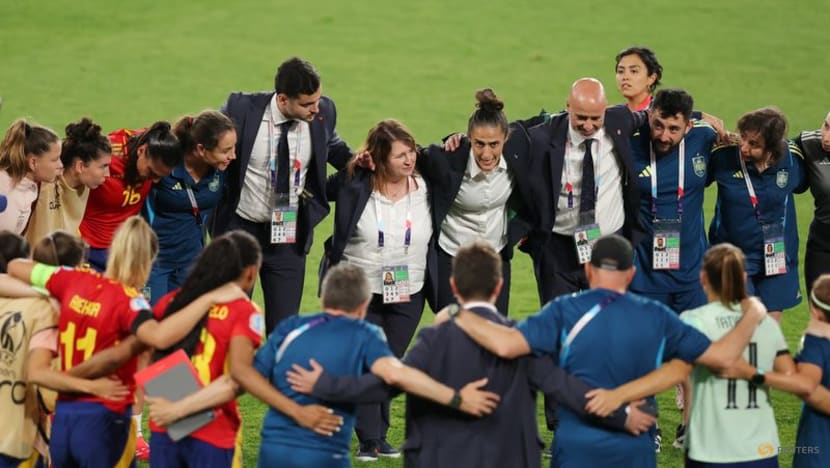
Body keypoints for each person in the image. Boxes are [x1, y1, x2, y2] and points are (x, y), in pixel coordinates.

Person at [288, 241, 658, 468]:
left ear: (453, 286)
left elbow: (384, 385)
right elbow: (563, 387)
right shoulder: (518, 339)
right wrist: (621, 414)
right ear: (499, 287)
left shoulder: (432, 341)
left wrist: (326, 385)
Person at [437, 234, 769, 468]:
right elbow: (724, 359)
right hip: (634, 446)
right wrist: (752, 313)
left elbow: (505, 344)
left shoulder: (563, 310)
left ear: (589, 271)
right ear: (631, 275)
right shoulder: (657, 317)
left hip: (575, 448)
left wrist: (456, 313)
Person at [6, 217, 247, 467]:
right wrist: (206, 299)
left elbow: (15, 267)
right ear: (147, 262)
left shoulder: (72, 281)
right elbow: (156, 342)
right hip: (106, 420)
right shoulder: (131, 303)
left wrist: (56, 294)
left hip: (64, 423)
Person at [234, 263, 500, 467]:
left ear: (325, 297)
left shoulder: (289, 328)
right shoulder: (363, 334)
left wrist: (294, 410)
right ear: (363, 307)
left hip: (273, 454)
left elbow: (243, 376)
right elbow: (397, 376)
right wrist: (457, 399)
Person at [144, 230, 340, 467]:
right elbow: (237, 378)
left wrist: (172, 409)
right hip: (213, 433)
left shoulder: (173, 301)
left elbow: (149, 353)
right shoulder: (243, 311)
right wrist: (298, 412)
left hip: (165, 428)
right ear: (250, 272)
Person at [211, 56, 353, 334]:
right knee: (230, 324)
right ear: (283, 99)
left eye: (318, 100)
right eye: (307, 104)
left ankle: (275, 378)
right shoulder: (241, 110)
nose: (315, 109)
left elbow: (333, 147)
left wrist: (359, 162)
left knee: (285, 329)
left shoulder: (324, 112)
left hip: (289, 236)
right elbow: (208, 144)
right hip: (240, 232)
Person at [320, 119, 434, 459]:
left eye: (411, 151)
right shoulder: (356, 184)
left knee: (389, 359)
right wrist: (351, 167)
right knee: (367, 360)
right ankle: (371, 438)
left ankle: (377, 435)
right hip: (361, 290)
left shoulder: (427, 187)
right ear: (380, 159)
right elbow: (323, 190)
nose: (409, 160)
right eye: (400, 155)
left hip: (409, 289)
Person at [0, 232, 130, 468]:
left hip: (59, 426)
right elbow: (153, 349)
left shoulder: (16, 298)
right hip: (99, 417)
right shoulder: (115, 300)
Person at [678, 243, 814, 467]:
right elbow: (796, 382)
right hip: (760, 450)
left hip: (708, 450)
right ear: (743, 279)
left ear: (703, 278)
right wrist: (755, 374)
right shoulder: (765, 324)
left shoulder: (693, 321)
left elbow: (674, 373)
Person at [521, 78, 647, 304]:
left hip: (608, 245)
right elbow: (500, 135)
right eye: (581, 117)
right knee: (559, 323)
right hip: (558, 248)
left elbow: (657, 115)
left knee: (605, 321)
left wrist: (698, 119)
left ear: (605, 109)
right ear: (567, 106)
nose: (588, 126)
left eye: (595, 118)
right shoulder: (543, 136)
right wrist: (459, 140)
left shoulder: (619, 120)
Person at [417, 88, 536, 314]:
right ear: (469, 138)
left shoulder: (518, 150)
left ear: (506, 139)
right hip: (451, 257)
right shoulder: (447, 160)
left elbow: (550, 124)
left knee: (493, 331)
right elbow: (411, 154)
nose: (486, 153)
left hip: (495, 258)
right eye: (479, 143)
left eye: (494, 144)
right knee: (452, 332)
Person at [708, 107, 807, 322]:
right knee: (742, 327)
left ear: (772, 148)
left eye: (754, 145)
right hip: (735, 259)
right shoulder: (723, 154)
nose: (743, 147)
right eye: (743, 138)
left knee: (769, 331)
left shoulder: (793, 160)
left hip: (778, 258)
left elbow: (804, 184)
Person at [630, 89, 719, 313]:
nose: (664, 136)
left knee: (694, 346)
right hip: (644, 277)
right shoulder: (630, 140)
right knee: (649, 346)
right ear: (649, 115)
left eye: (673, 129)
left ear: (688, 127)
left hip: (694, 277)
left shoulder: (705, 138)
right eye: (658, 125)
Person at [143, 110, 237, 305]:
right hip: (155, 263)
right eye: (226, 150)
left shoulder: (221, 171)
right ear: (201, 149)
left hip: (192, 264)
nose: (233, 156)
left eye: (233, 148)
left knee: (184, 325)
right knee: (151, 324)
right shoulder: (167, 165)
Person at [79, 121, 182, 271]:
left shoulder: (156, 142)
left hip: (123, 249)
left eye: (160, 176)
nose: (154, 180)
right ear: (141, 151)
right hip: (88, 247)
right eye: (152, 172)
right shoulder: (108, 156)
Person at [25, 117, 112, 244]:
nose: (108, 174)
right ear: (80, 166)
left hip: (62, 261)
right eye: (103, 166)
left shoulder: (86, 184)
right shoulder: (42, 184)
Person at [792, 274, 830, 468]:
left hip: (818, 448)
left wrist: (759, 375)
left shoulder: (814, 344)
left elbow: (808, 387)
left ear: (815, 312)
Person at [791, 112, 830, 294]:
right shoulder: (809, 142)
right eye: (826, 126)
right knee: (820, 312)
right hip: (822, 245)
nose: (826, 138)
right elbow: (774, 152)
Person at [0, 119, 62, 234]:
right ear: (33, 163)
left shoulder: (30, 188)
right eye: (54, 160)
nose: (60, 165)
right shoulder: (3, 188)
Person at [615, 46, 663, 111]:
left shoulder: (660, 116)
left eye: (634, 71)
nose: (625, 77)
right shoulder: (612, 115)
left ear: (651, 78)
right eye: (621, 71)